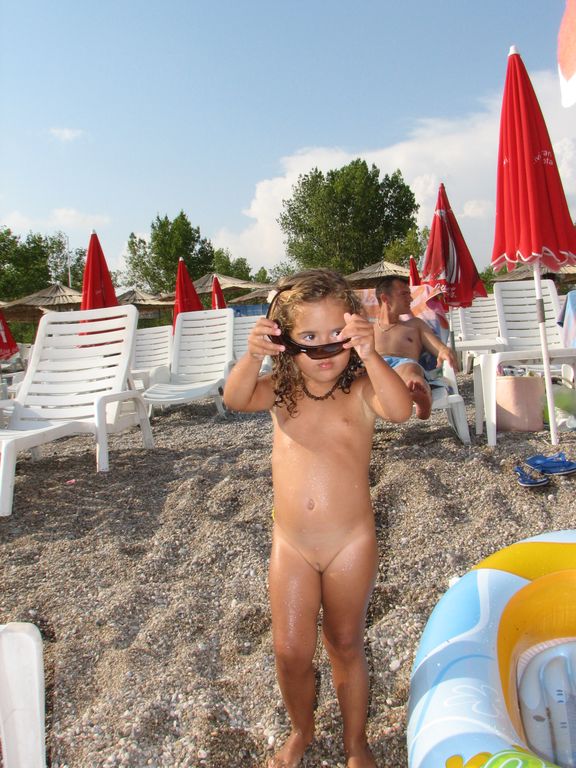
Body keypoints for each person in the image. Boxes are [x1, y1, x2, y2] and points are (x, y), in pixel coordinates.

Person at [223, 269, 412, 768]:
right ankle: (301, 731)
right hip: (292, 544)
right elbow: (234, 398)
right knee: (289, 650)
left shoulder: (363, 390)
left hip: (351, 542)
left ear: (354, 333)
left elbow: (400, 410)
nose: (325, 349)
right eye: (308, 337)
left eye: (337, 334)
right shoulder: (279, 391)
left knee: (345, 642)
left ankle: (356, 742)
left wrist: (373, 354)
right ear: (284, 341)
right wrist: (251, 357)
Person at [373, 275, 458, 420]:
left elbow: (439, 347)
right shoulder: (369, 329)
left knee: (411, 371)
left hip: (405, 366)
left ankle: (421, 399)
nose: (411, 299)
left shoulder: (415, 325)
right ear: (385, 298)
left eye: (410, 294)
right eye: (404, 294)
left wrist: (445, 352)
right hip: (375, 369)